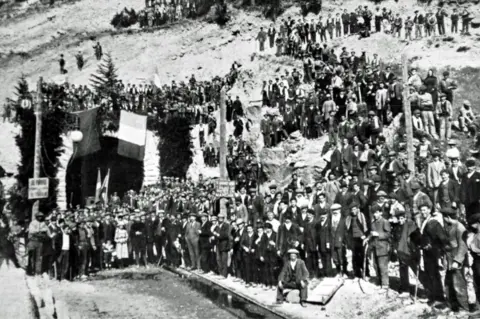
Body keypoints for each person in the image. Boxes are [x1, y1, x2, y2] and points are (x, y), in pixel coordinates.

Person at [442, 208, 469, 315]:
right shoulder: (448, 226)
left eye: (444, 217)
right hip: (448, 258)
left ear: (448, 217)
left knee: (459, 284)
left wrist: (457, 261)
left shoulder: (460, 228)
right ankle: (453, 306)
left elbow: (463, 246)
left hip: (456, 259)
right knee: (448, 284)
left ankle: (464, 308)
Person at [366, 205, 390, 291]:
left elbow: (388, 234)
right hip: (374, 247)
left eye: (376, 213)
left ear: (380, 212)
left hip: (382, 248)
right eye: (373, 213)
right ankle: (379, 282)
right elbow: (372, 233)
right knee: (376, 265)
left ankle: (385, 285)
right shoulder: (373, 223)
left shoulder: (385, 222)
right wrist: (367, 238)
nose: (375, 215)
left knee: (382, 267)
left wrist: (378, 234)